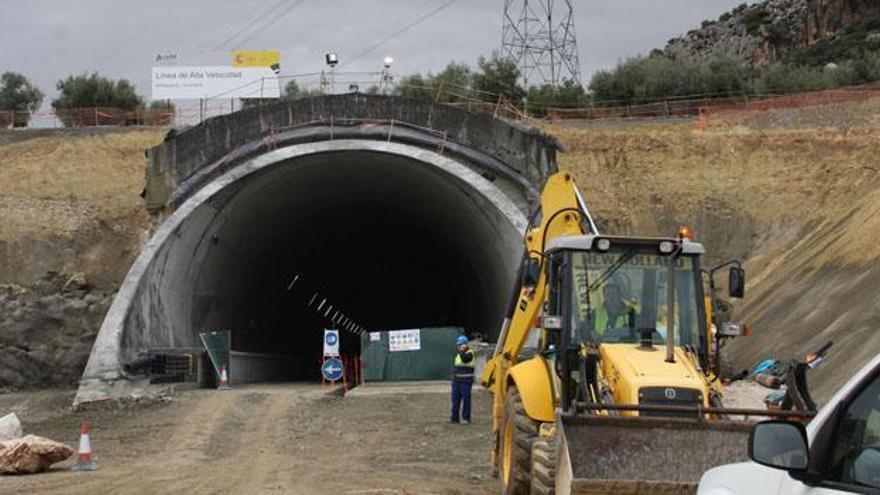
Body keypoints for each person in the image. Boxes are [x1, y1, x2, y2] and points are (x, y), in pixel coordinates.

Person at [451, 334, 475, 424]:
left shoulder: (469, 353)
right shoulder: (458, 355)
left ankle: (466, 418)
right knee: (455, 400)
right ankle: (454, 418)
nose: (458, 347)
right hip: (456, 381)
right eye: (458, 345)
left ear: (465, 345)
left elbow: (465, 359)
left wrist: (462, 351)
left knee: (466, 400)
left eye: (460, 345)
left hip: (466, 381)